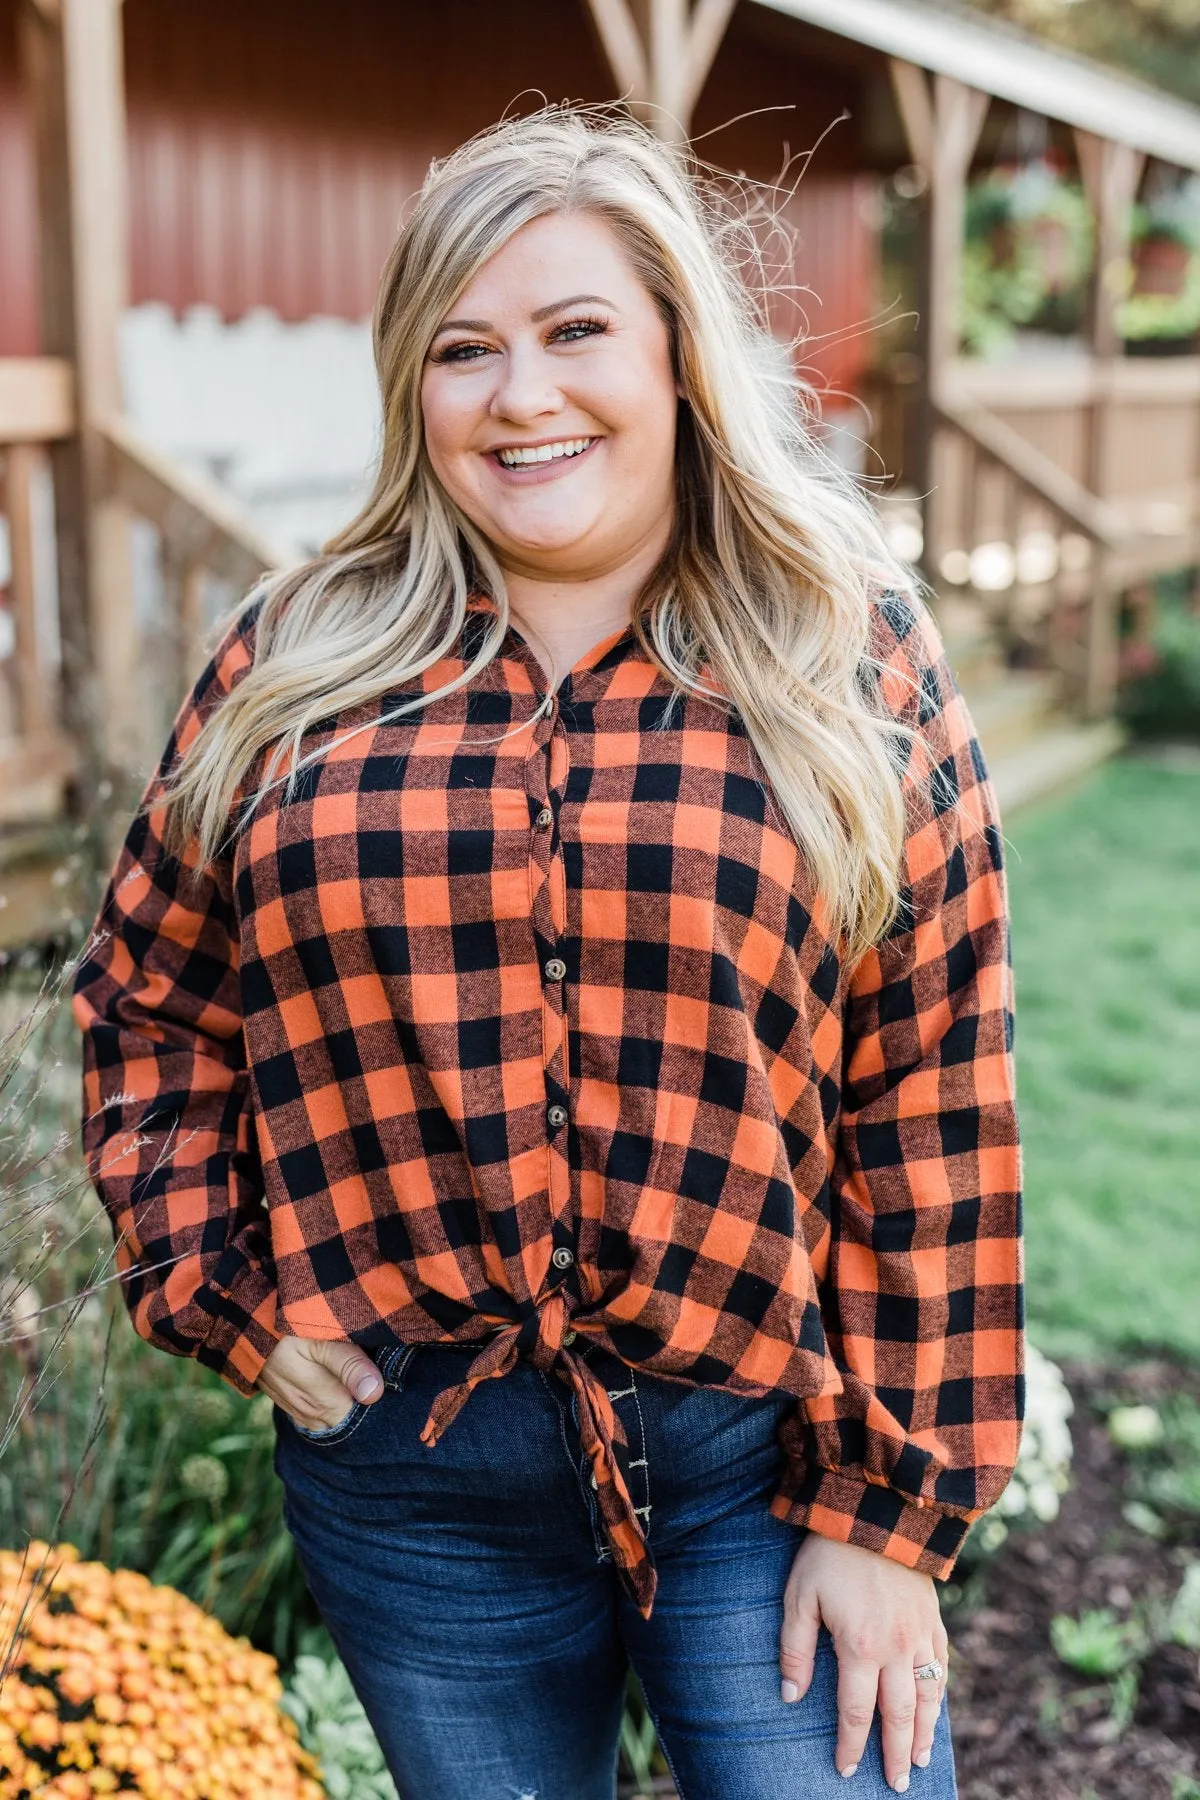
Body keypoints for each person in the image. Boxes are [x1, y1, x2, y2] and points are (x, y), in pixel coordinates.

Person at [72, 106, 1023, 1800]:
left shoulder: (844, 655)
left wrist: (892, 1514)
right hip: (409, 1469)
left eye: (577, 330)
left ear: (677, 354)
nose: (523, 397)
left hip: (760, 1455)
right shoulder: (296, 661)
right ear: (408, 386)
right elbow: (151, 997)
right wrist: (218, 1286)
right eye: (464, 349)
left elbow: (933, 1088)